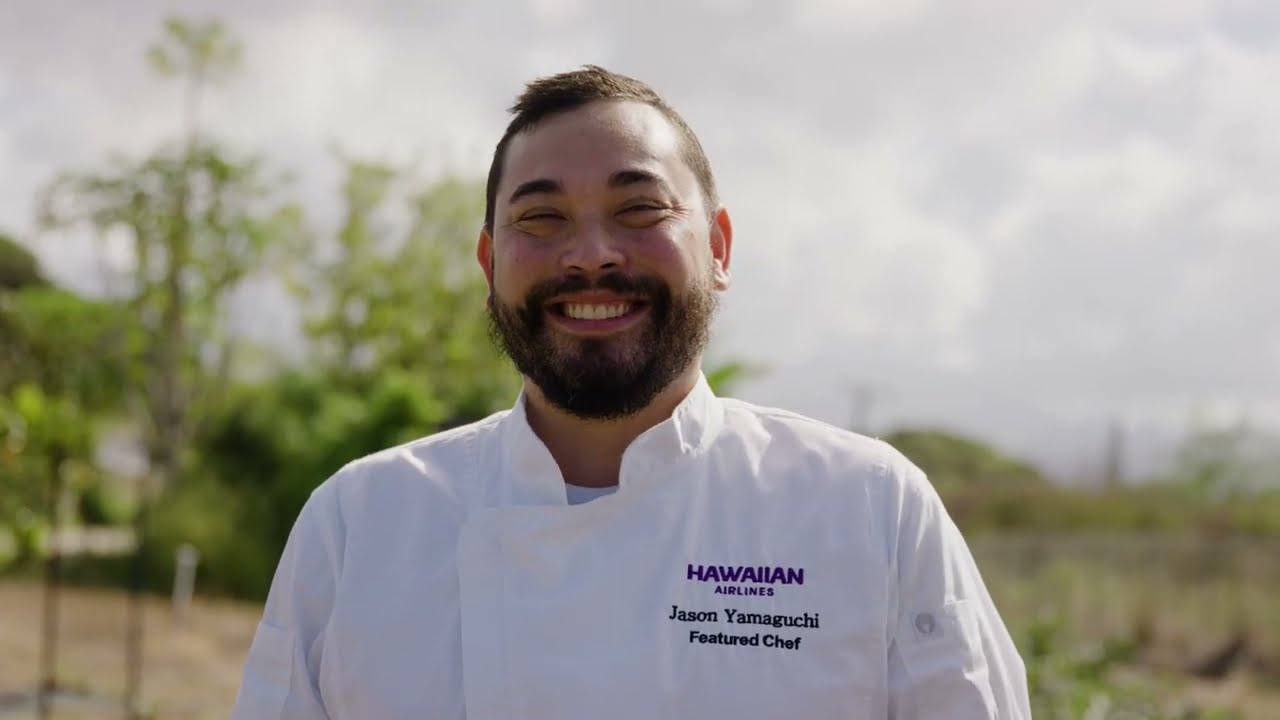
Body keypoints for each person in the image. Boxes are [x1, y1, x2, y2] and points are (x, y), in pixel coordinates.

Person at [232, 65, 1030, 719]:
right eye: (540, 218)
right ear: (489, 264)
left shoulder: (869, 509)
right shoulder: (360, 524)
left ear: (718, 247)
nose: (590, 255)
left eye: (639, 207)